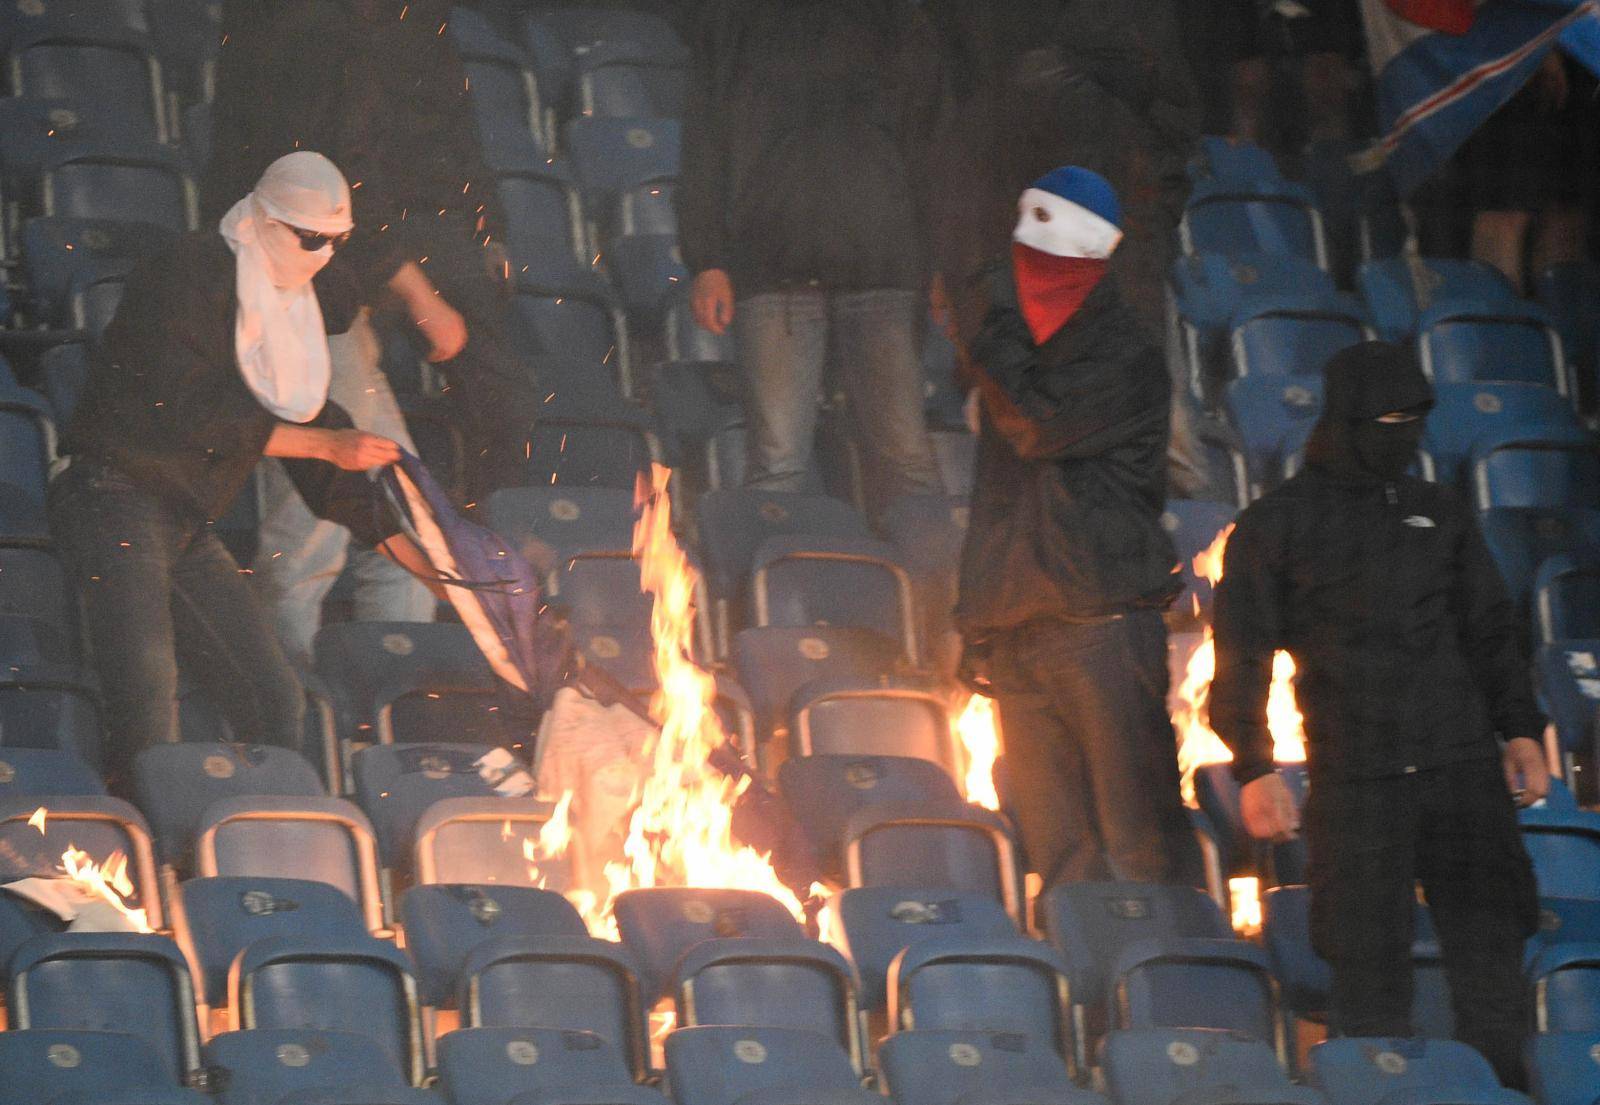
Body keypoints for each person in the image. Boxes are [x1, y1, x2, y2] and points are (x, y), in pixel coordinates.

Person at [1209, 341, 1547, 1088]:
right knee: (1367, 988)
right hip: (1356, 781)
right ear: (1349, 419)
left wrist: (1520, 727)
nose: (1406, 435)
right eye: (1390, 420)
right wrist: (1256, 765)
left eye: (1417, 420)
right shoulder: (1276, 523)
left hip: (1463, 772)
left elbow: (1490, 628)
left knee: (1494, 977)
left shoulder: (1439, 509)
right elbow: (1243, 651)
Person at [51, 152, 433, 786]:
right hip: (111, 494)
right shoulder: (190, 272)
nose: (323, 255)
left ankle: (265, 834)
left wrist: (428, 566)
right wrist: (325, 446)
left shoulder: (288, 311)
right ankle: (142, 857)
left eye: (336, 242)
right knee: (147, 689)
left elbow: (327, 455)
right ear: (267, 221)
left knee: (274, 700)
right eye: (311, 239)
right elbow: (178, 411)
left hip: (184, 519)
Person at [206, 0, 540, 666]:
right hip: (289, 296)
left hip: (316, 294)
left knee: (391, 513)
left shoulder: (337, 31)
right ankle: (299, 711)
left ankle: (390, 696)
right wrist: (416, 291)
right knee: (311, 535)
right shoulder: (311, 36)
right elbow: (331, 171)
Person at [955, 167, 1201, 889]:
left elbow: (1039, 428)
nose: (1031, 260)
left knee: (1138, 843)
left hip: (1102, 624)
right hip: (1019, 630)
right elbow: (995, 499)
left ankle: (1172, 991)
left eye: (1051, 240)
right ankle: (1094, 990)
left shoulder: (1124, 355)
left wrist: (992, 342)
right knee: (1061, 856)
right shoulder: (1018, 353)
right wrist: (976, 618)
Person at [678, 0, 946, 519]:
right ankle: (767, 594)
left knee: (906, 459)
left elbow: (931, 141)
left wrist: (942, 260)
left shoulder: (899, 17)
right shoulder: (732, 17)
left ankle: (934, 595)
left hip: (883, 261)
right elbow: (703, 142)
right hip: (771, 262)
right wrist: (706, 258)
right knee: (778, 465)